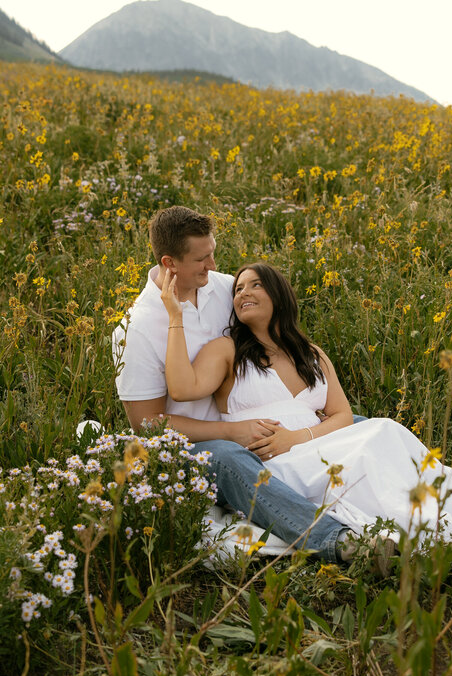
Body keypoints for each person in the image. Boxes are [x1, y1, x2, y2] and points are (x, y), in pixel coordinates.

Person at [160, 261, 452, 543]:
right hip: (276, 462)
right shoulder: (228, 350)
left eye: (256, 285)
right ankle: (446, 533)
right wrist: (175, 315)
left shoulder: (312, 355)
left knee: (385, 432)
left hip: (310, 446)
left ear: (279, 295)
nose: (243, 293)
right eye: (238, 288)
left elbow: (342, 415)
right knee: (373, 443)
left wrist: (299, 436)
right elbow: (181, 387)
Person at [112, 207, 363, 565]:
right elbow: (148, 425)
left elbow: (268, 332)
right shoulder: (135, 329)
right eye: (202, 259)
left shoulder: (223, 288)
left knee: (359, 425)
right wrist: (230, 432)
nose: (212, 265)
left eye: (213, 252)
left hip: (257, 421)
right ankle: (336, 541)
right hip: (194, 448)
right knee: (230, 460)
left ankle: (431, 509)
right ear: (170, 263)